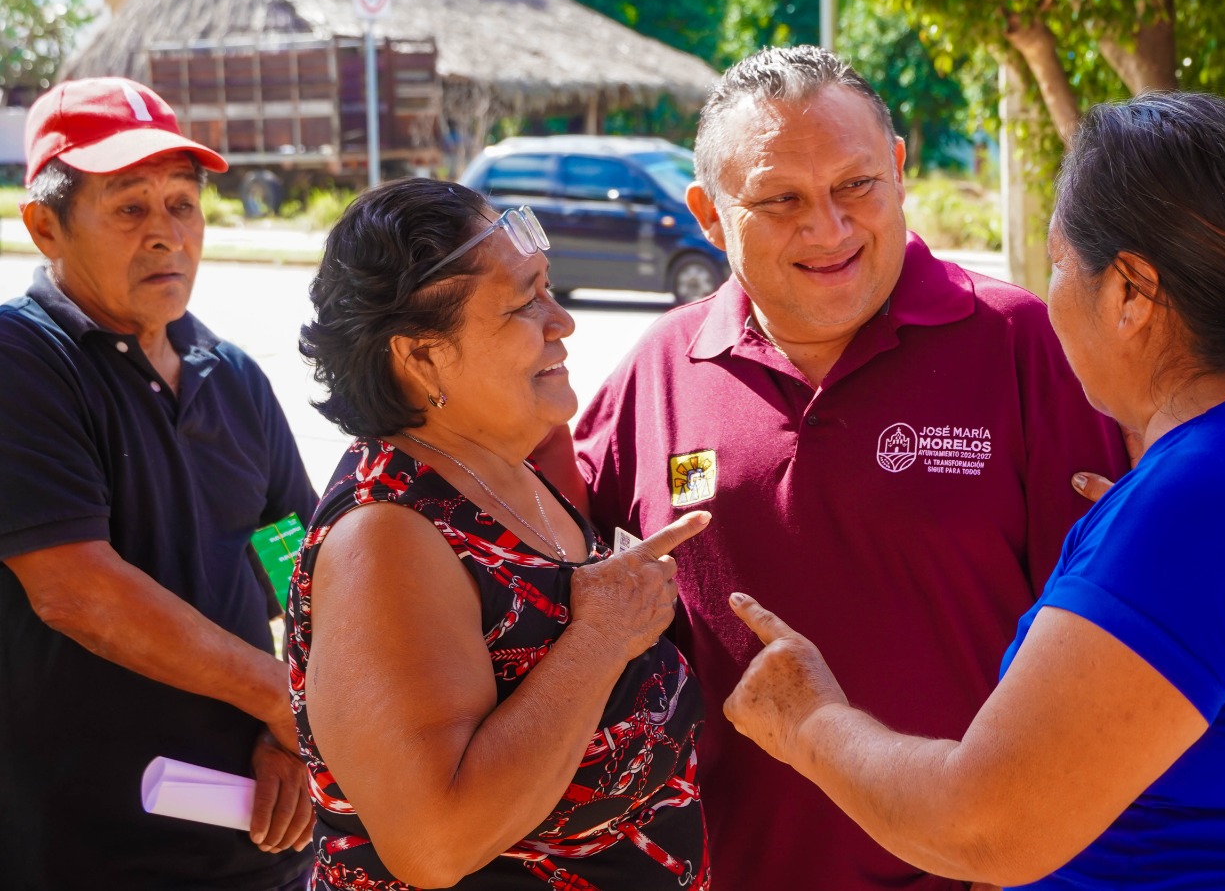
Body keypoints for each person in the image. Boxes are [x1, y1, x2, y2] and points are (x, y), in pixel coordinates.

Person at [722, 92, 1225, 890]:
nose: (1051, 294)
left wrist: (809, 722)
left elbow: (983, 826)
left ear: (1130, 293)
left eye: (1059, 263)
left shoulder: (1200, 506)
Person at [559, 46, 1128, 890]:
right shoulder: (660, 368)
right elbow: (522, 563)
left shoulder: (1027, 347)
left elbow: (1106, 665)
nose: (827, 228)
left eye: (856, 185)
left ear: (899, 170)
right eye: (780, 199)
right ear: (709, 217)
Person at [290, 178, 711, 890]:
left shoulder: (504, 467)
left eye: (547, 288)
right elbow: (435, 844)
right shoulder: (384, 537)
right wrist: (602, 638)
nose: (561, 321)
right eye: (522, 303)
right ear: (422, 358)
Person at [0, 77, 315, 889]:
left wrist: (294, 728)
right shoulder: (24, 362)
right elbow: (76, 591)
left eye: (182, 203)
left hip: (257, 840)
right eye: (129, 207)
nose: (166, 235)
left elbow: (302, 567)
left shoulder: (233, 375)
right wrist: (284, 701)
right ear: (45, 226)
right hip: (87, 850)